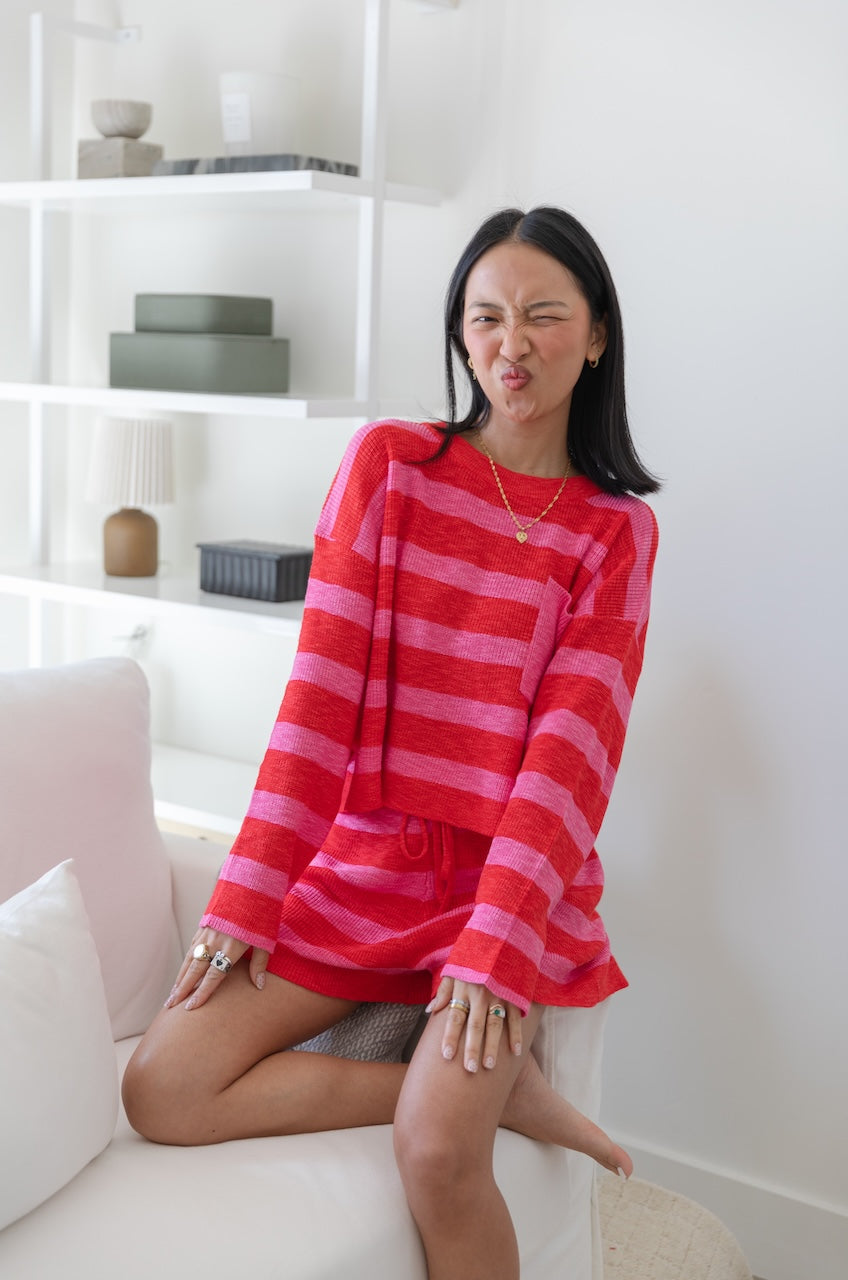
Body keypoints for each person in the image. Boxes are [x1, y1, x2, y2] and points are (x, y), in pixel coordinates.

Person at [123, 205, 660, 1280]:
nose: (510, 342)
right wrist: (242, 899)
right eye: (485, 317)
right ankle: (511, 1093)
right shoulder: (389, 468)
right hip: (362, 868)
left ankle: (473, 1090)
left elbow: (567, 761)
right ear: (460, 334)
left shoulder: (612, 531)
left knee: (435, 1147)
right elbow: (316, 700)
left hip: (496, 889)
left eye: (542, 315)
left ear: (595, 334)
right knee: (161, 1085)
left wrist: (497, 948)